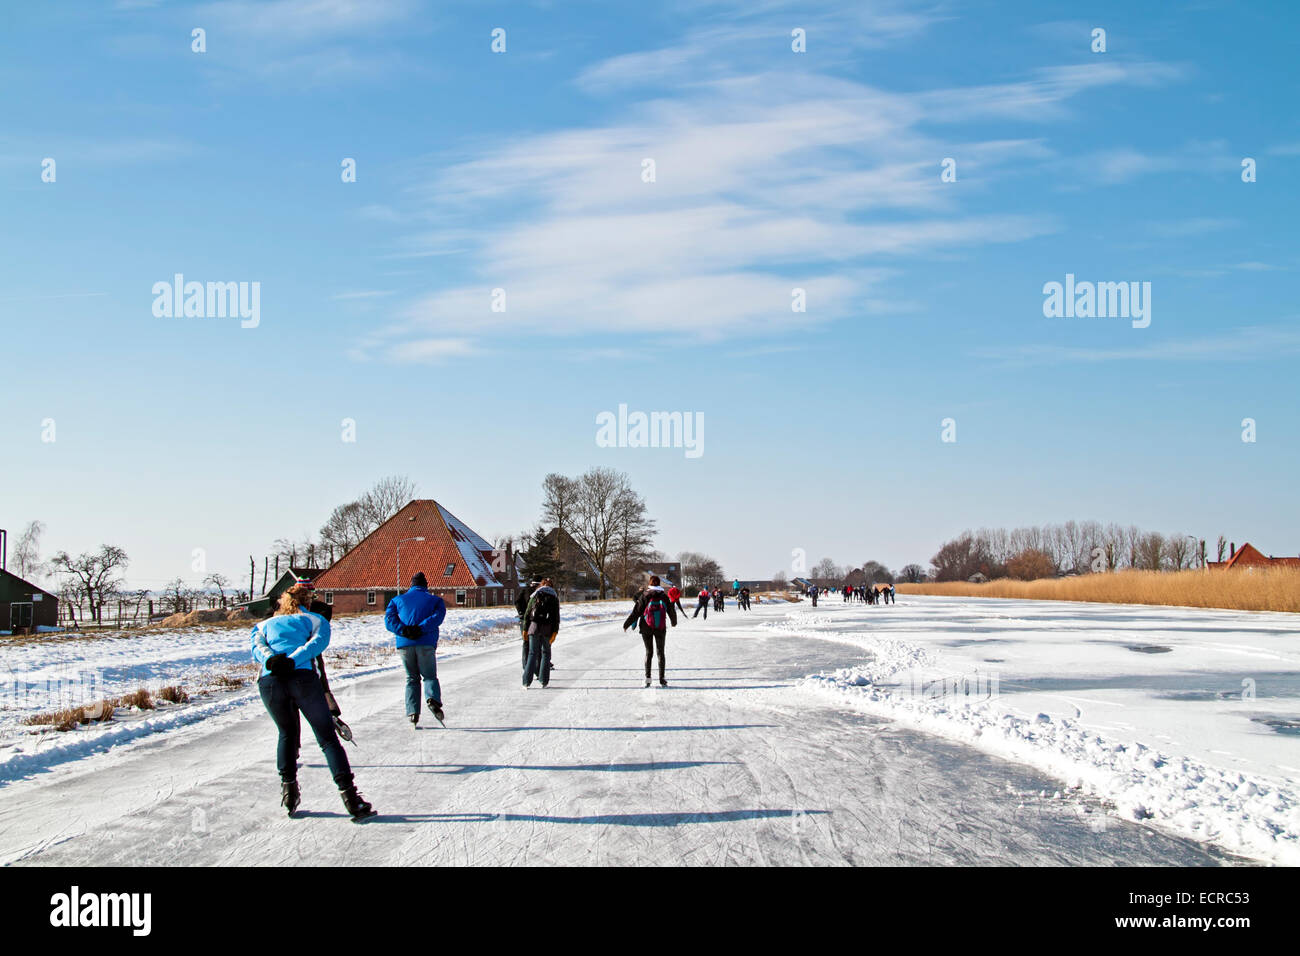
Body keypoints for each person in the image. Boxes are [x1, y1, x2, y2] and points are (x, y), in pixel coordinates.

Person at [251, 582, 375, 820]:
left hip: (270, 681)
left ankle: (289, 792)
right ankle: (350, 798)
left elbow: (258, 646)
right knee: (327, 739)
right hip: (302, 680)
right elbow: (315, 645)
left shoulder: (263, 625)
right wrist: (293, 659)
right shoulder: (316, 621)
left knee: (286, 734)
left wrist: (272, 661)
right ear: (308, 602)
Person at [384, 571, 448, 727]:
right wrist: (421, 629)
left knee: (411, 678)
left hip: (405, 644)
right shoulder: (435, 601)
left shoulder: (397, 600)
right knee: (429, 676)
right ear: (426, 586)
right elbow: (437, 618)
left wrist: (404, 630)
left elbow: (389, 620)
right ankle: (432, 700)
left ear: (411, 585)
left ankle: (413, 712)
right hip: (426, 642)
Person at [624, 574, 677, 687]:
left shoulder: (645, 595)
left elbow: (636, 612)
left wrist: (627, 624)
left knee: (649, 652)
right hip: (660, 627)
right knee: (660, 653)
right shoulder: (663, 596)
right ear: (659, 584)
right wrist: (674, 621)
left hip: (646, 627)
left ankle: (648, 679)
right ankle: (662, 679)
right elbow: (671, 609)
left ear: (650, 583)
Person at [522, 576, 560, 688]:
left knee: (532, 653)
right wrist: (555, 632)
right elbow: (556, 617)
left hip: (534, 627)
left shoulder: (535, 595)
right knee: (546, 653)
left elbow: (527, 613)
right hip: (547, 629)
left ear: (541, 585)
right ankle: (544, 681)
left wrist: (525, 629)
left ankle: (526, 681)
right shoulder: (554, 597)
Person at [516, 578, 539, 669]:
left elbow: (517, 601)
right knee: (536, 644)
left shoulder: (524, 590)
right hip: (533, 620)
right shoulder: (538, 593)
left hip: (523, 620)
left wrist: (521, 612)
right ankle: (537, 666)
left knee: (526, 642)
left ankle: (525, 665)